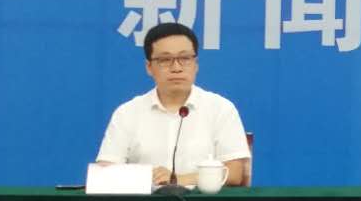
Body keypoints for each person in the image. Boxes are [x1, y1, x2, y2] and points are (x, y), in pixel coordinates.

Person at [96, 22, 250, 188]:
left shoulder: (221, 109)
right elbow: (105, 172)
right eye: (165, 60)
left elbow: (235, 173)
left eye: (185, 59)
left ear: (196, 64)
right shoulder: (127, 113)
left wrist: (178, 179)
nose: (176, 68)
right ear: (149, 67)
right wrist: (146, 178)